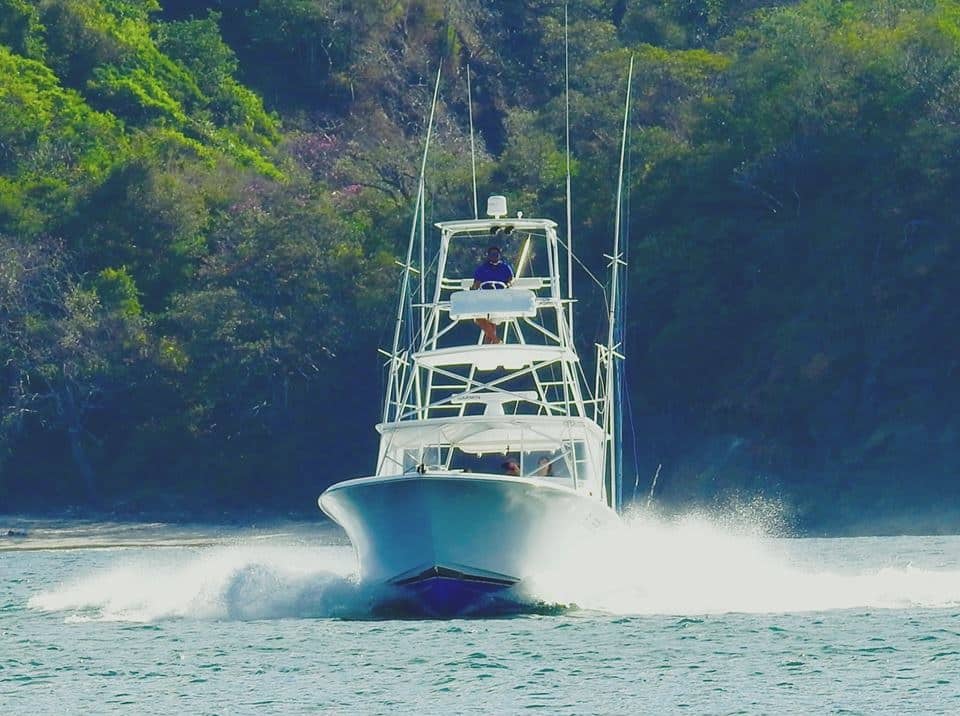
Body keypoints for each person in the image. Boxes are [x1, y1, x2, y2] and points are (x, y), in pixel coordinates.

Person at [471, 244, 514, 344]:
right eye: (492, 254)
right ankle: (496, 340)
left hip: (500, 298)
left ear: (499, 255)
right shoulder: (482, 268)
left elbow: (510, 280)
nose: (494, 256)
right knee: (479, 318)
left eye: (496, 254)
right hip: (484, 298)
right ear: (488, 255)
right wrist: (473, 290)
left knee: (491, 321)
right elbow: (476, 283)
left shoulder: (505, 267)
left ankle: (492, 342)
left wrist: (508, 285)